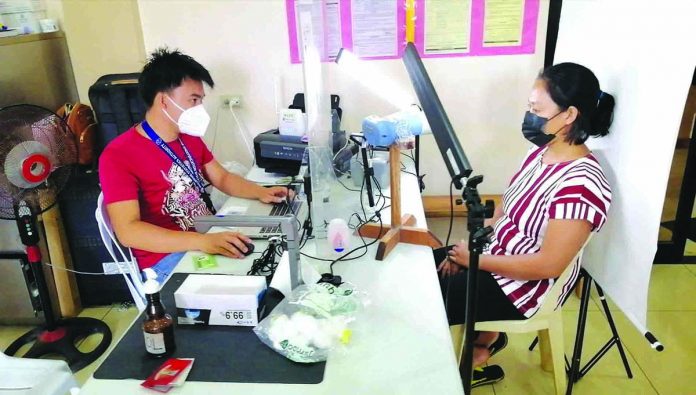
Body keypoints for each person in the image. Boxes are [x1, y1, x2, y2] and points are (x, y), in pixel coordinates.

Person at [436, 62, 614, 388]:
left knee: (431, 300)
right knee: (426, 267)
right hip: (498, 256)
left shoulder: (582, 183)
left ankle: (451, 367)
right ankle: (483, 339)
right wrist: (473, 245)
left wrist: (473, 261)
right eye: (529, 107)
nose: (529, 116)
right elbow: (507, 206)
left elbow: (547, 265)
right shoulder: (540, 152)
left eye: (536, 108)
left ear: (569, 115)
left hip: (525, 287)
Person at [99, 48, 290, 281]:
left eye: (201, 100)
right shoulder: (118, 155)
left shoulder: (188, 136)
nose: (200, 108)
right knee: (258, 282)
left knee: (277, 257)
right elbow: (128, 232)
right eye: (193, 100)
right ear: (163, 100)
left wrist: (262, 192)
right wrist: (202, 242)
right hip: (166, 260)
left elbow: (222, 178)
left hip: (207, 235)